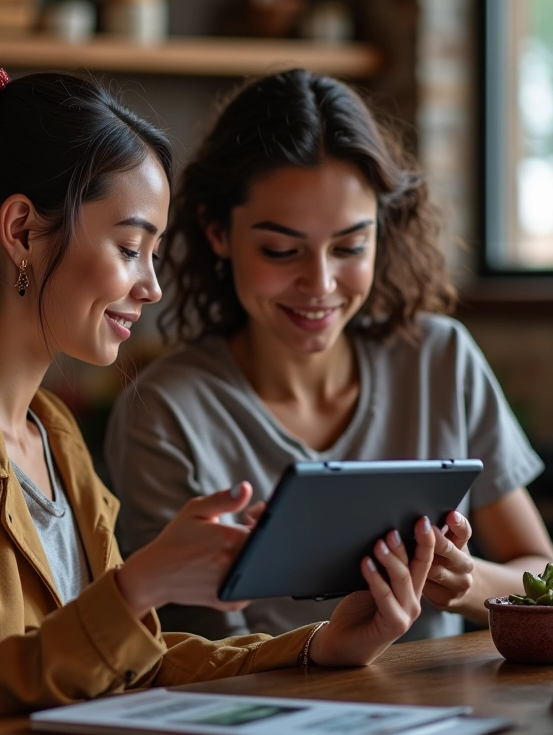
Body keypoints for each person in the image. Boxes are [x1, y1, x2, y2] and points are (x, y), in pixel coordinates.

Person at [0, 49, 436, 735]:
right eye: (130, 248)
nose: (152, 286)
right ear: (21, 231)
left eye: (154, 254)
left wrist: (318, 645)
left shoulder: (52, 434)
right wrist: (140, 585)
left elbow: (132, 666)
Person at [105, 68, 553, 643]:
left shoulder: (440, 358)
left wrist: (463, 584)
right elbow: (192, 653)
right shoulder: (165, 411)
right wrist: (332, 648)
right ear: (217, 232)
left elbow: (538, 576)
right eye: (281, 249)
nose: (319, 283)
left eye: (350, 247)